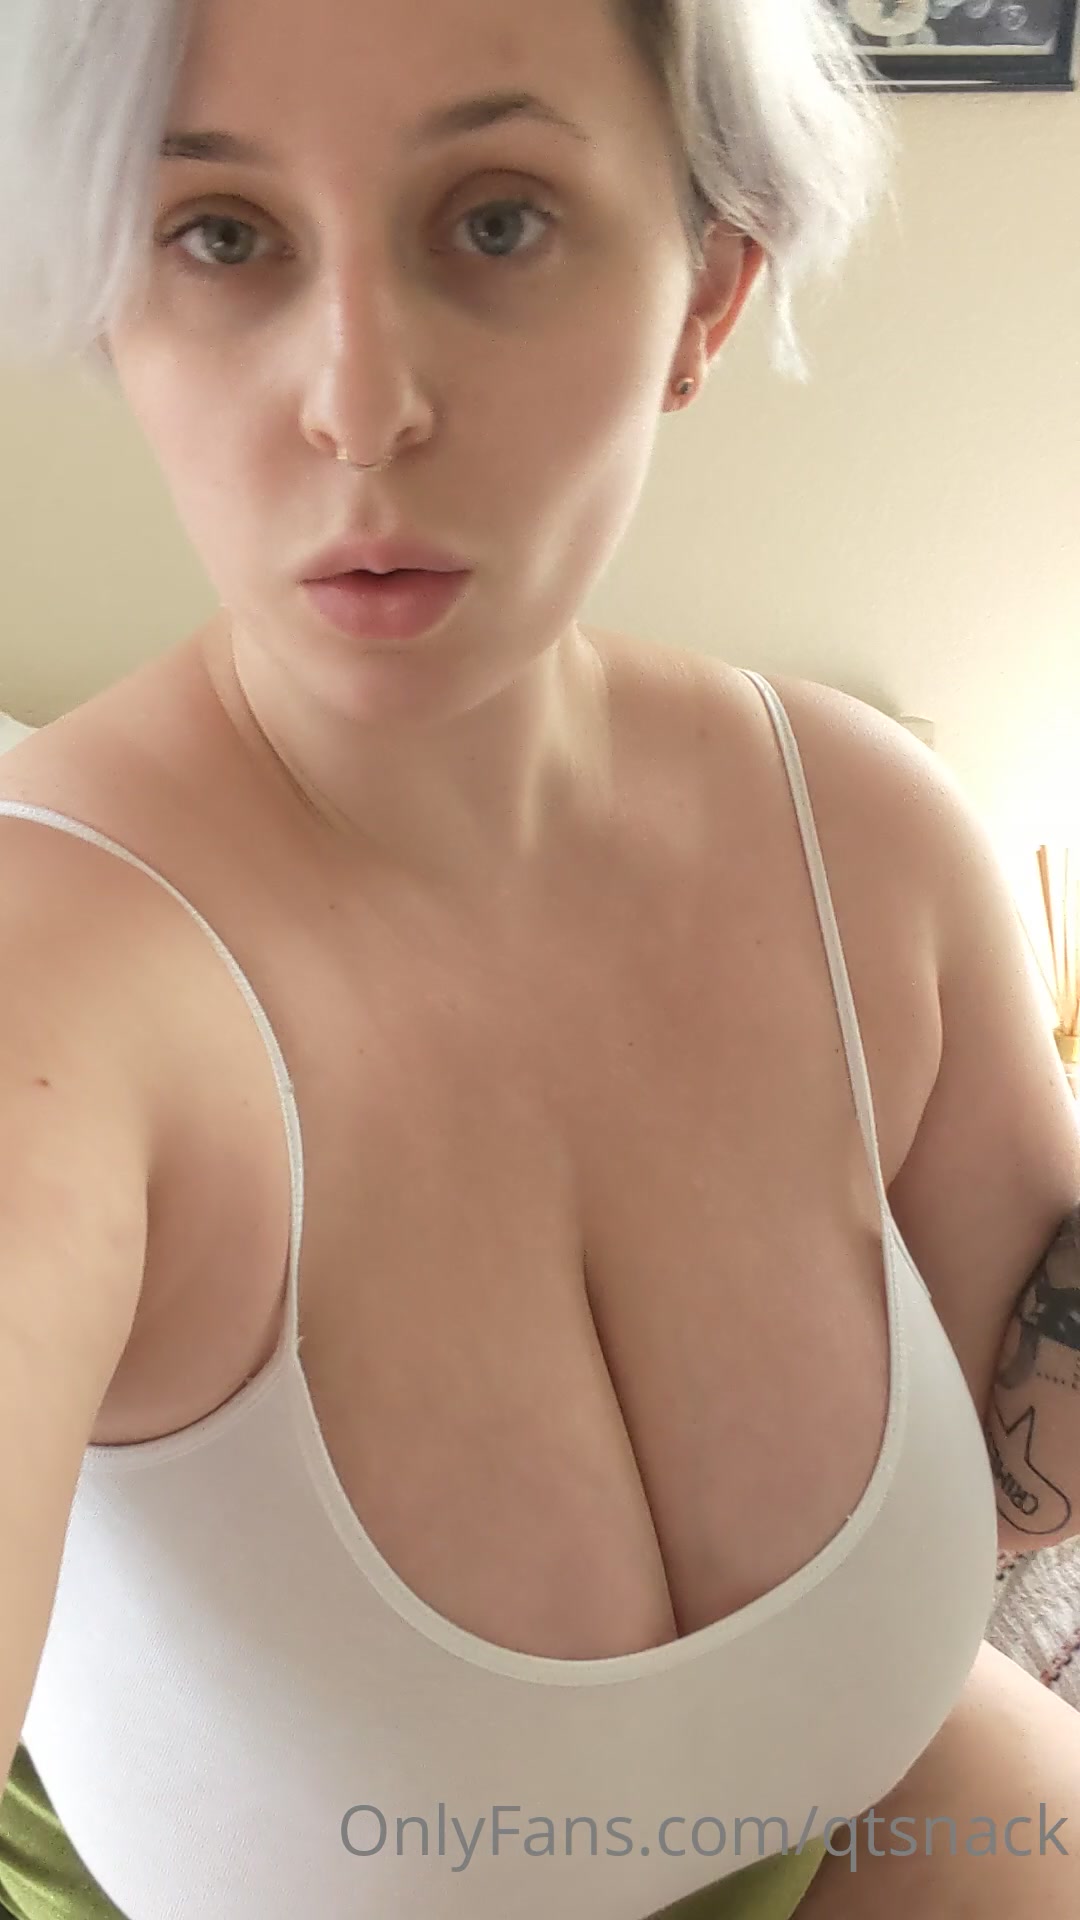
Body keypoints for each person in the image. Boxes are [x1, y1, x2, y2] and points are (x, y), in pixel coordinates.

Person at [0, 0, 1078, 1915]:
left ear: (706, 298)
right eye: (222, 237)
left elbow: (1032, 1453)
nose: (358, 406)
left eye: (496, 220)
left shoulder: (872, 844)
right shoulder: (51, 993)